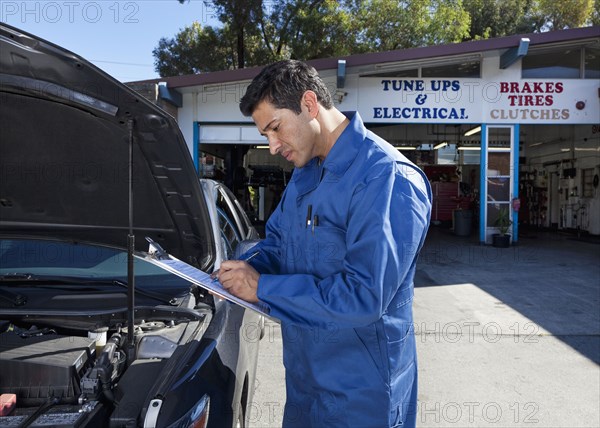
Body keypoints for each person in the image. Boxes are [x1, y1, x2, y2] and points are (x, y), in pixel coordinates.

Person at [216, 60, 432, 427]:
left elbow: (364, 295)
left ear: (310, 104)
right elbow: (278, 246)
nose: (271, 146)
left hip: (362, 397)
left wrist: (262, 287)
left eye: (275, 128)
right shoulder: (305, 176)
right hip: (305, 386)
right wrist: (235, 271)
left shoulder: (387, 178)